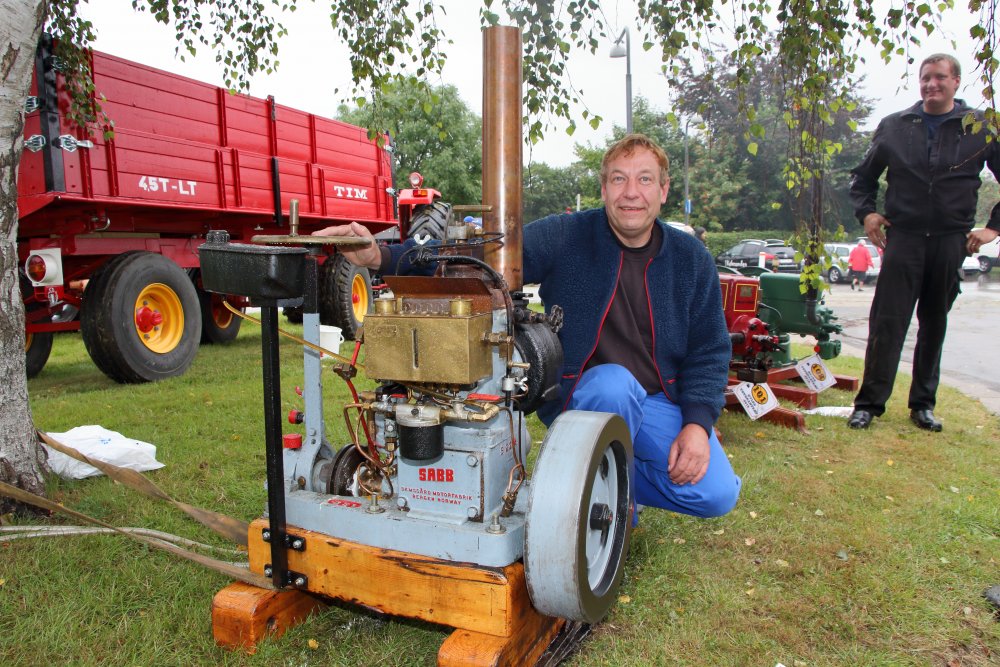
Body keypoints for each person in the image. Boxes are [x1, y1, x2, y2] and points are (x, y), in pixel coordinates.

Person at [315, 134, 741, 522]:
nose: (631, 192)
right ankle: (605, 504)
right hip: (587, 394)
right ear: (603, 188)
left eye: (645, 179)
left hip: (656, 400)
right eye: (619, 179)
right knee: (613, 385)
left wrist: (696, 424)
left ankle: (587, 481)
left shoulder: (690, 258)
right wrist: (381, 257)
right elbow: (477, 254)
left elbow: (709, 349)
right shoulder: (567, 235)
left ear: (663, 190)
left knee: (716, 494)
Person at [847, 53, 1000, 432]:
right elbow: (862, 178)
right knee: (887, 322)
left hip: (951, 241)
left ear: (956, 81)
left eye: (940, 77)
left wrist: (994, 229)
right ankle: (868, 404)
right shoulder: (895, 126)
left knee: (934, 322)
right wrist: (867, 214)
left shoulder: (980, 127)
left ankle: (922, 405)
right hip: (904, 238)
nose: (931, 84)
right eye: (925, 78)